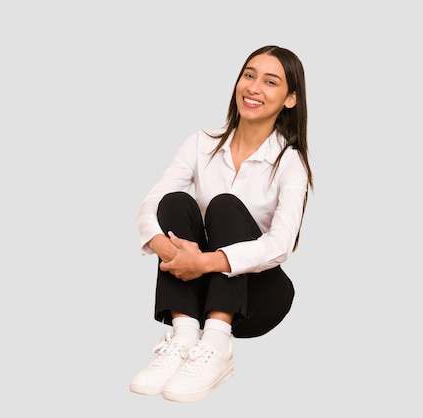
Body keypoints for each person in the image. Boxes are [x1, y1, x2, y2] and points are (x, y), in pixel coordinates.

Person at [129, 45, 313, 402]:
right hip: (196, 287)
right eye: (249, 75)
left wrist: (205, 262)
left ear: (291, 99)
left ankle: (217, 344)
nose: (254, 87)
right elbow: (150, 205)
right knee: (174, 202)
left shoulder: (291, 164)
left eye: (270, 82)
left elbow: (281, 243)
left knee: (225, 206)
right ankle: (183, 338)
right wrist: (171, 252)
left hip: (257, 296)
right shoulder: (200, 144)